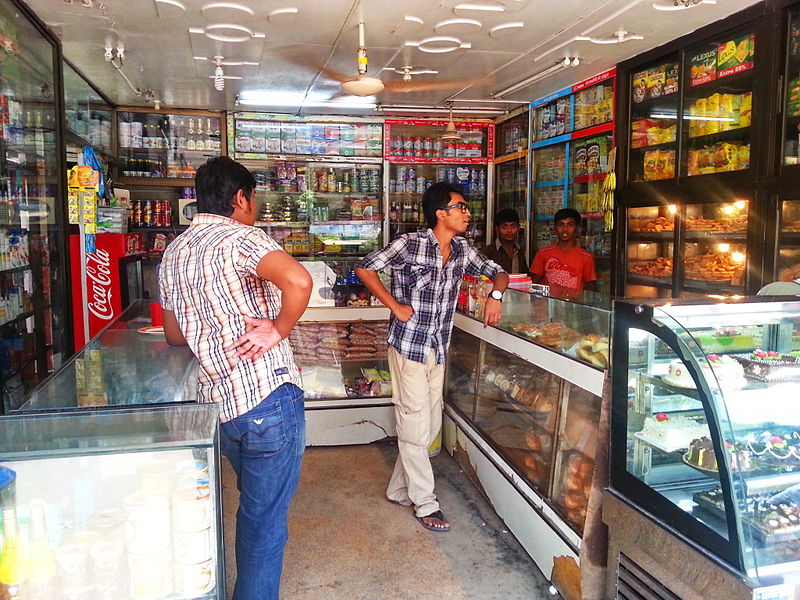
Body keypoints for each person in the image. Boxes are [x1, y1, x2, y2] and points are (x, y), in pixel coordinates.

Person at [158, 156, 312, 600]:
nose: (256, 207)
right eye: (253, 198)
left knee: (254, 506)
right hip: (267, 396)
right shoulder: (241, 237)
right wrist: (278, 328)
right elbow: (299, 282)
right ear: (240, 198)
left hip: (219, 405)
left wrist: (212, 326)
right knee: (264, 521)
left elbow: (173, 334)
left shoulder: (176, 250)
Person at [355, 182, 508, 533]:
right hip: (409, 347)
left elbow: (497, 270)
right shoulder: (410, 244)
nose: (467, 213)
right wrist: (394, 305)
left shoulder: (463, 250)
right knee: (415, 423)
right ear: (441, 213)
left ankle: (398, 490)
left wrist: (496, 295)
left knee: (428, 428)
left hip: (437, 349)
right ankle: (425, 502)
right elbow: (366, 267)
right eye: (461, 207)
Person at [530, 207, 597, 297]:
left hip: (574, 307)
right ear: (555, 228)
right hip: (548, 306)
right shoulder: (543, 253)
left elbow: (590, 290)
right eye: (561, 225)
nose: (565, 229)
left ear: (577, 228)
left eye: (570, 225)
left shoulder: (586, 257)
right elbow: (533, 284)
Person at [481, 208, 529, 273]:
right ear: (497, 229)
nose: (509, 230)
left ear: (518, 228)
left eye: (513, 226)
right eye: (504, 227)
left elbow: (525, 275)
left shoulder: (519, 251)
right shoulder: (488, 252)